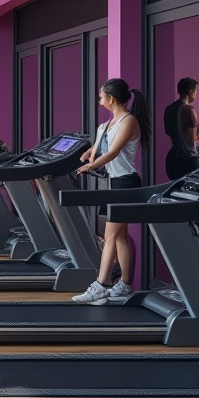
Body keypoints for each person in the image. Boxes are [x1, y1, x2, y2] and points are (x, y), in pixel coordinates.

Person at [72, 77, 152, 304]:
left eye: (101, 97)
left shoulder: (128, 121)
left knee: (110, 236)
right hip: (112, 183)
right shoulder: (104, 125)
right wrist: (89, 155)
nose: (99, 101)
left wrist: (91, 165)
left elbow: (114, 152)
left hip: (126, 183)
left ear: (111, 98)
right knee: (119, 237)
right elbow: (98, 150)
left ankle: (102, 284)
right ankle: (125, 284)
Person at [163, 76, 199, 180]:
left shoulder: (168, 109)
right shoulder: (189, 110)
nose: (195, 94)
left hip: (172, 159)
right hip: (188, 159)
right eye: (195, 91)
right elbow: (192, 139)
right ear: (190, 91)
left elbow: (167, 131)